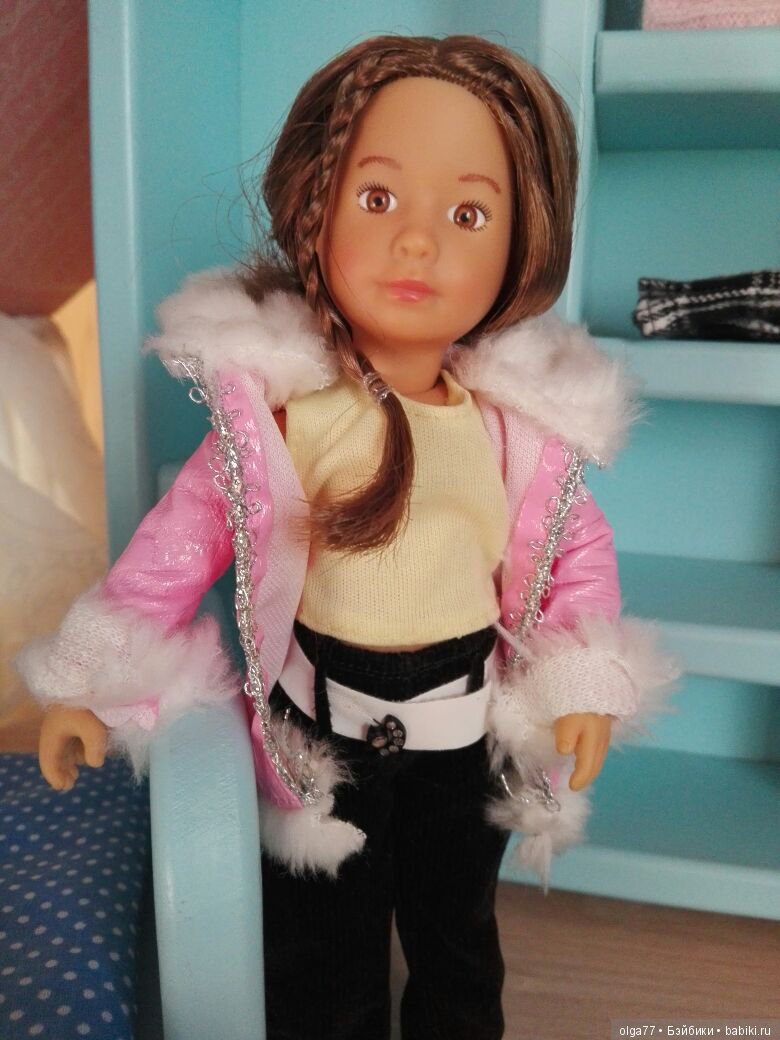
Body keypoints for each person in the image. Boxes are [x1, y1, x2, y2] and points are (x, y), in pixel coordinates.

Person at [17, 35, 675, 1040]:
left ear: (521, 242)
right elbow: (180, 539)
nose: (416, 243)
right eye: (377, 198)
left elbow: (575, 555)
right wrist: (91, 680)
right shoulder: (284, 418)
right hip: (320, 734)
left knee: (458, 937)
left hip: (462, 729)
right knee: (321, 950)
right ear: (315, 208)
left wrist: (580, 682)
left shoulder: (514, 434)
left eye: (467, 214)